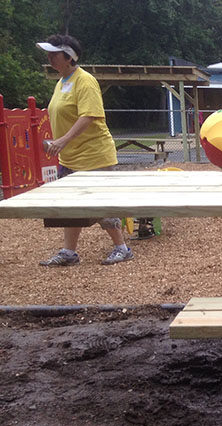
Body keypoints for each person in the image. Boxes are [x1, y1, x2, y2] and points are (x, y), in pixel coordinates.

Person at [35, 34, 133, 267]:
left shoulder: (84, 81)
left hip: (93, 155)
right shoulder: (62, 82)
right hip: (70, 156)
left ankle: (122, 248)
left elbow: (89, 115)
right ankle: (69, 252)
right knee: (70, 205)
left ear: (69, 57)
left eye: (54, 54)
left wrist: (62, 141)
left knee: (101, 203)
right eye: (48, 53)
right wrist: (61, 144)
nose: (49, 58)